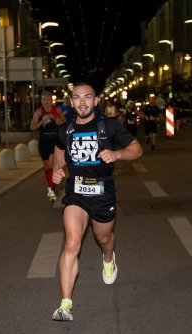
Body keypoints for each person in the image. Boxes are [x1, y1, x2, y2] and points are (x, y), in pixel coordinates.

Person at [51, 82, 143, 321]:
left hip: (103, 194)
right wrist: (57, 170)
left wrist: (117, 154)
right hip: (76, 194)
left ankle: (108, 258)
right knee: (72, 243)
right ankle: (65, 304)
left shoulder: (109, 127)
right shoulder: (65, 130)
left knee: (103, 238)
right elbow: (59, 152)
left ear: (95, 101)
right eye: (77, 98)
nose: (82, 102)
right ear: (71, 102)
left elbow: (137, 148)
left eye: (87, 97)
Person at [30, 91, 65, 201]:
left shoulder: (57, 110)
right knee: (46, 166)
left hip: (55, 140)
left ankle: (51, 190)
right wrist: (43, 121)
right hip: (44, 141)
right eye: (43, 99)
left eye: (47, 99)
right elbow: (32, 127)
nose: (45, 101)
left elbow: (65, 122)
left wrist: (59, 121)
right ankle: (51, 188)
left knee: (51, 163)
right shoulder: (39, 111)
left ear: (51, 100)